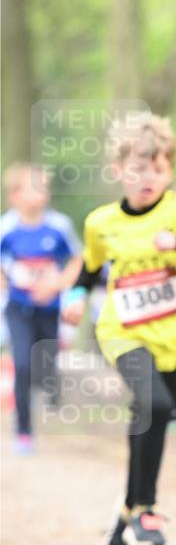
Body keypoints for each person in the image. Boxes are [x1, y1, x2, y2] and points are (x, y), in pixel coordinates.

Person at [61, 113, 176, 545]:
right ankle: (147, 510)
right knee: (155, 407)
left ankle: (129, 513)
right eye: (137, 170)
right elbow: (90, 264)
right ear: (118, 170)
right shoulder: (100, 222)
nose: (147, 180)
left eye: (158, 170)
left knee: (154, 419)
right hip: (122, 331)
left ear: (169, 170)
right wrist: (78, 294)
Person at [0, 163, 82, 454]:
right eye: (33, 187)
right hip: (18, 309)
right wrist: (6, 281)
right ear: (15, 195)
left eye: (44, 187)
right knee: (21, 364)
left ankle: (51, 388)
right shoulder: (6, 228)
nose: (41, 193)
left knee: (45, 361)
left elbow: (76, 261)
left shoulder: (59, 227)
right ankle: (23, 431)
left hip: (50, 308)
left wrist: (56, 283)